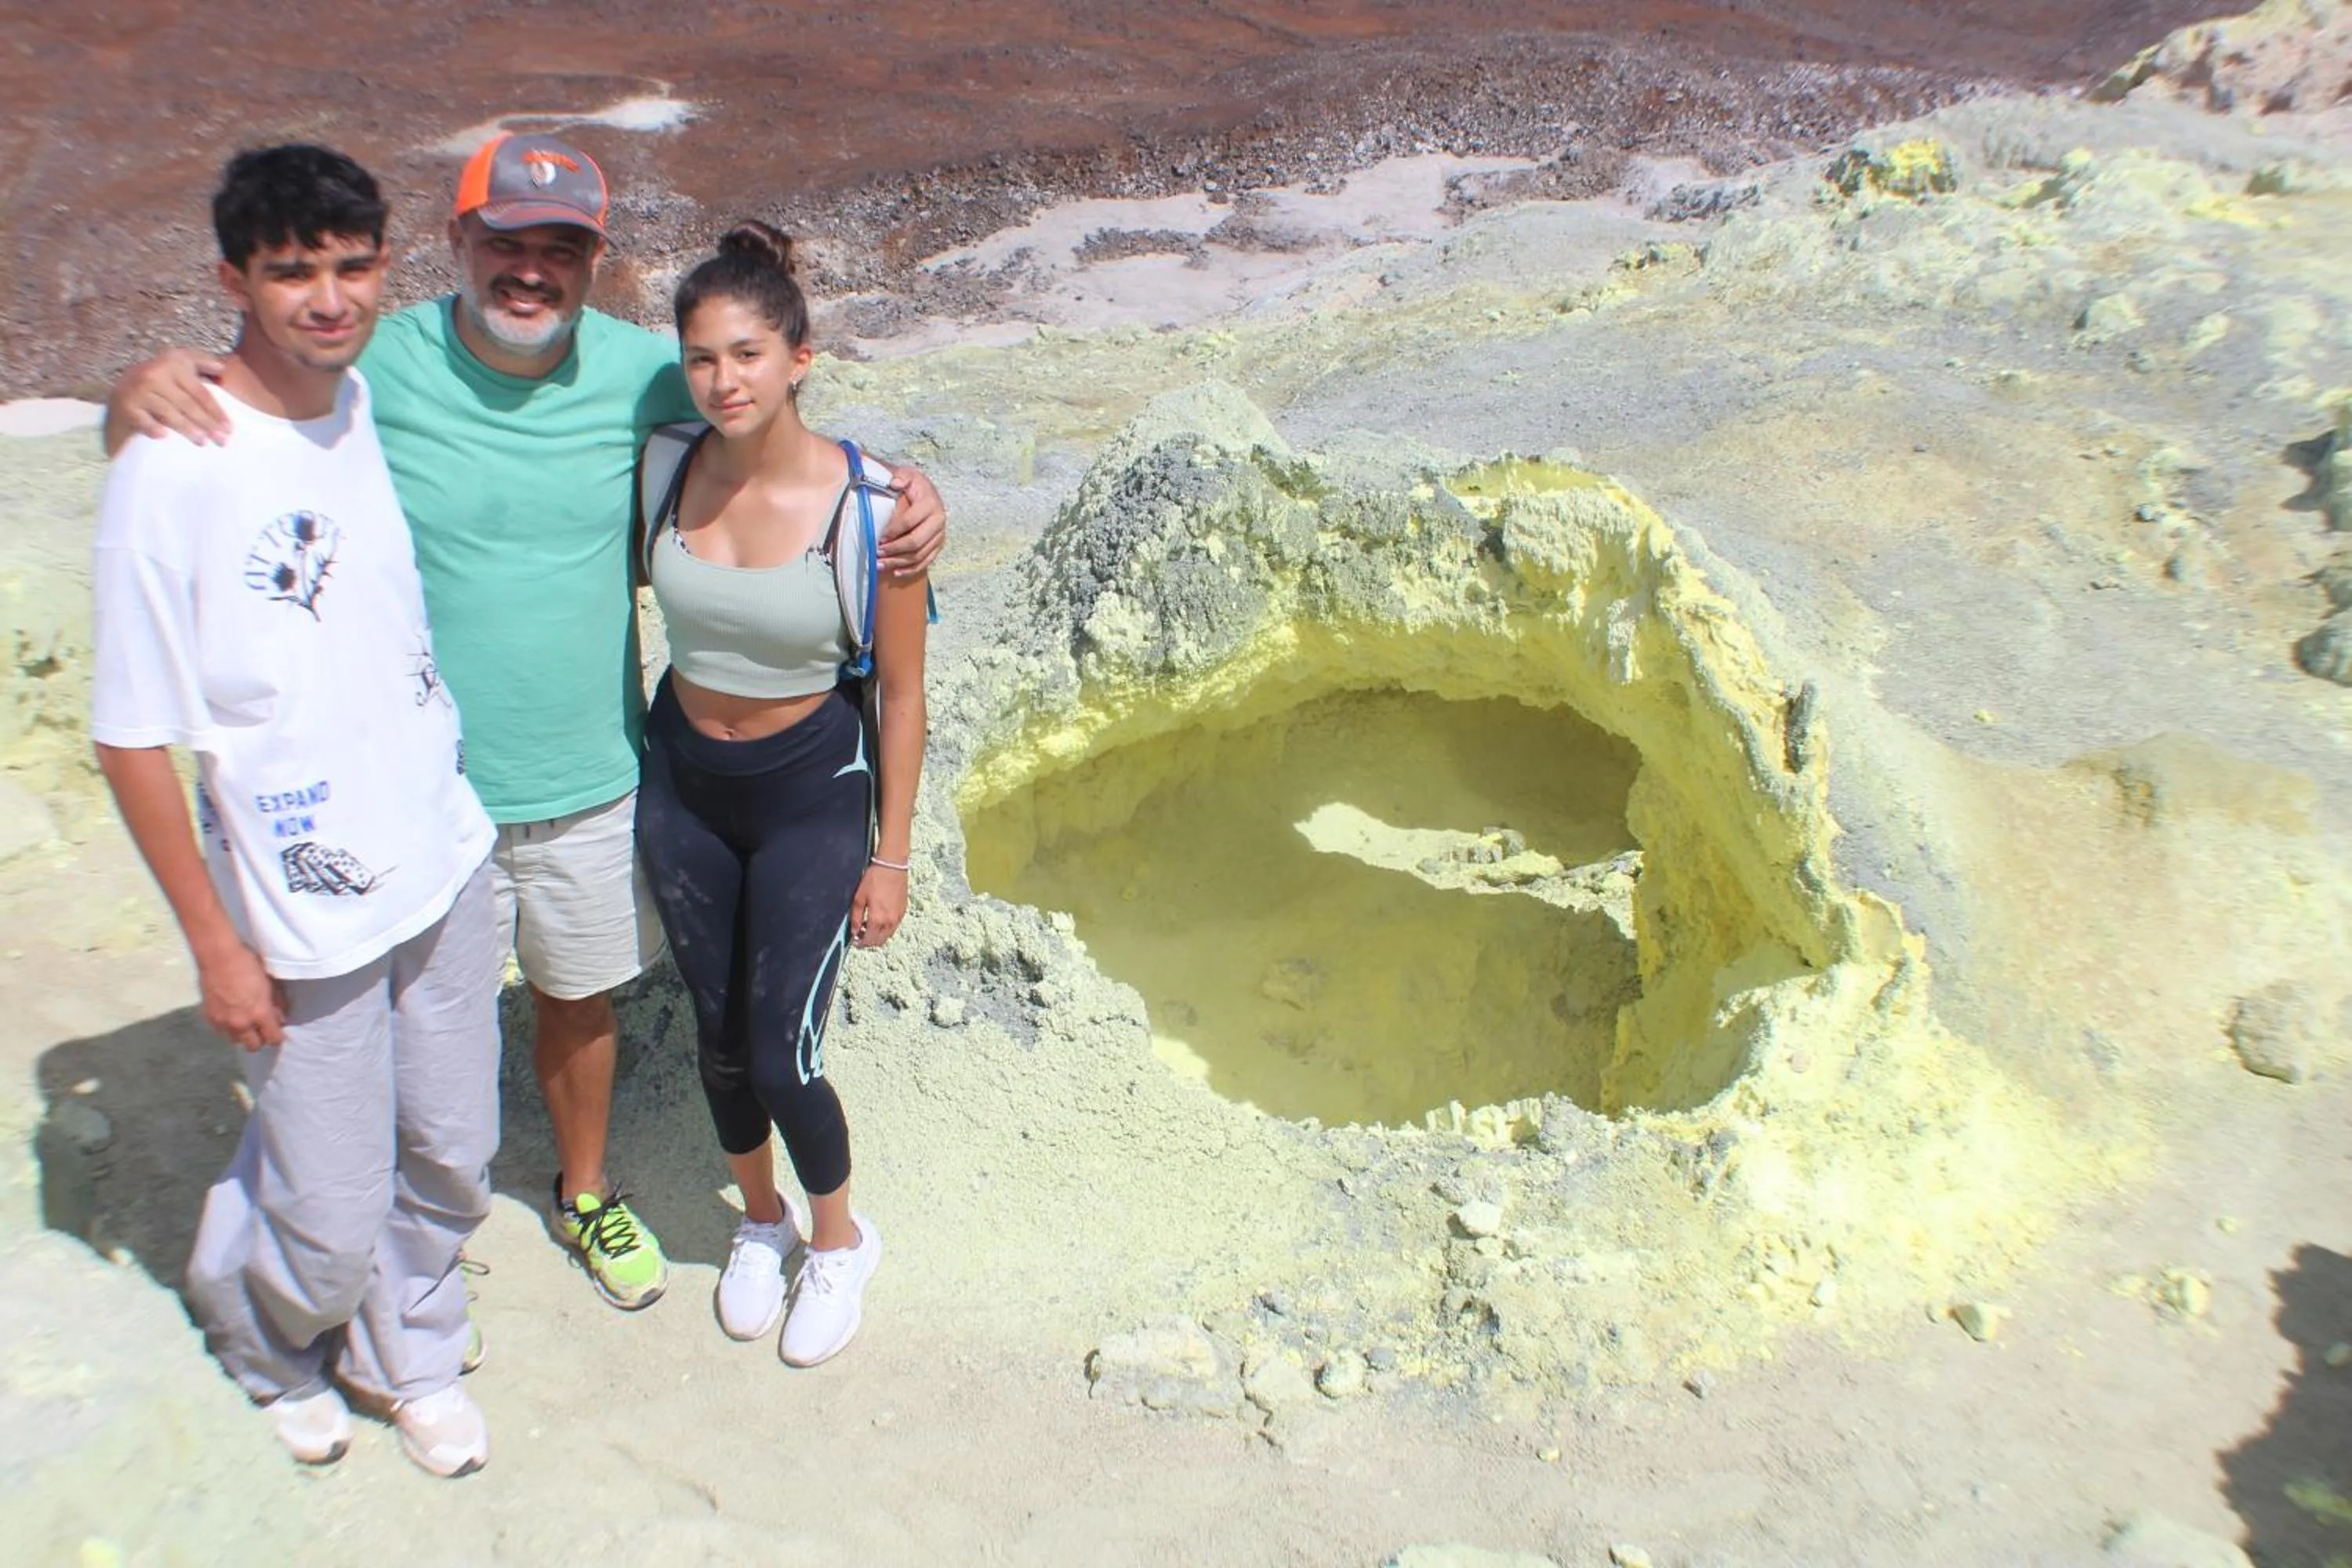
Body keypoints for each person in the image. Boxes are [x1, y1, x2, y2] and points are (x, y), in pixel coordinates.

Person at [105, 133, 948, 1314]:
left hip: (600, 771)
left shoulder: (647, 383)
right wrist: (132, 393)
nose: (530, 270)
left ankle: (589, 1192)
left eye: (561, 249)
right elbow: (247, 398)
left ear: (595, 264)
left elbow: (766, 423)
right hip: (420, 788)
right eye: (505, 242)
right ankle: (389, 1240)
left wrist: (908, 489)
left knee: (575, 996)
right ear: (455, 244)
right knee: (396, 1024)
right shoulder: (378, 363)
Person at [90, 144, 499, 1476]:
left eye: (350, 266)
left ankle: (410, 1351)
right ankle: (268, 1338)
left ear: (385, 265)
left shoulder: (358, 400)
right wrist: (216, 945)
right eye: (291, 274)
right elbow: (133, 733)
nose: (327, 298)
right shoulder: (174, 467)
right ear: (234, 281)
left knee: (452, 1150)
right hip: (297, 902)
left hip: (437, 852)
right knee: (324, 1210)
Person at [633, 221, 927, 1365]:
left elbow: (900, 695)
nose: (725, 380)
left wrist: (890, 856)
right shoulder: (661, 467)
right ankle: (760, 1222)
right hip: (686, 781)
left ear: (801, 357)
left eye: (748, 353)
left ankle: (840, 1240)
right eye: (704, 357)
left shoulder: (875, 508)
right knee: (714, 1039)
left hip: (811, 787)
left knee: (780, 1053)